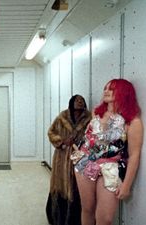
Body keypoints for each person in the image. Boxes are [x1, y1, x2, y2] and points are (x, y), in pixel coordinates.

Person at [71, 79, 143, 225]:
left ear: (124, 92)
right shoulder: (96, 113)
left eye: (112, 89)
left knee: (105, 218)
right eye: (105, 88)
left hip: (110, 168)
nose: (106, 91)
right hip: (85, 162)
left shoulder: (132, 122)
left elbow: (135, 155)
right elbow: (91, 137)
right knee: (87, 209)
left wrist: (127, 185)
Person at [46, 95, 92, 225]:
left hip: (80, 156)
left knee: (77, 187)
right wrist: (62, 141)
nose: (80, 102)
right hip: (62, 156)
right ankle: (57, 219)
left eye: (82, 101)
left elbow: (93, 136)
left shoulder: (89, 118)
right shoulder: (62, 117)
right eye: (77, 100)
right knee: (61, 186)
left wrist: (83, 145)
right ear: (71, 102)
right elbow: (51, 132)